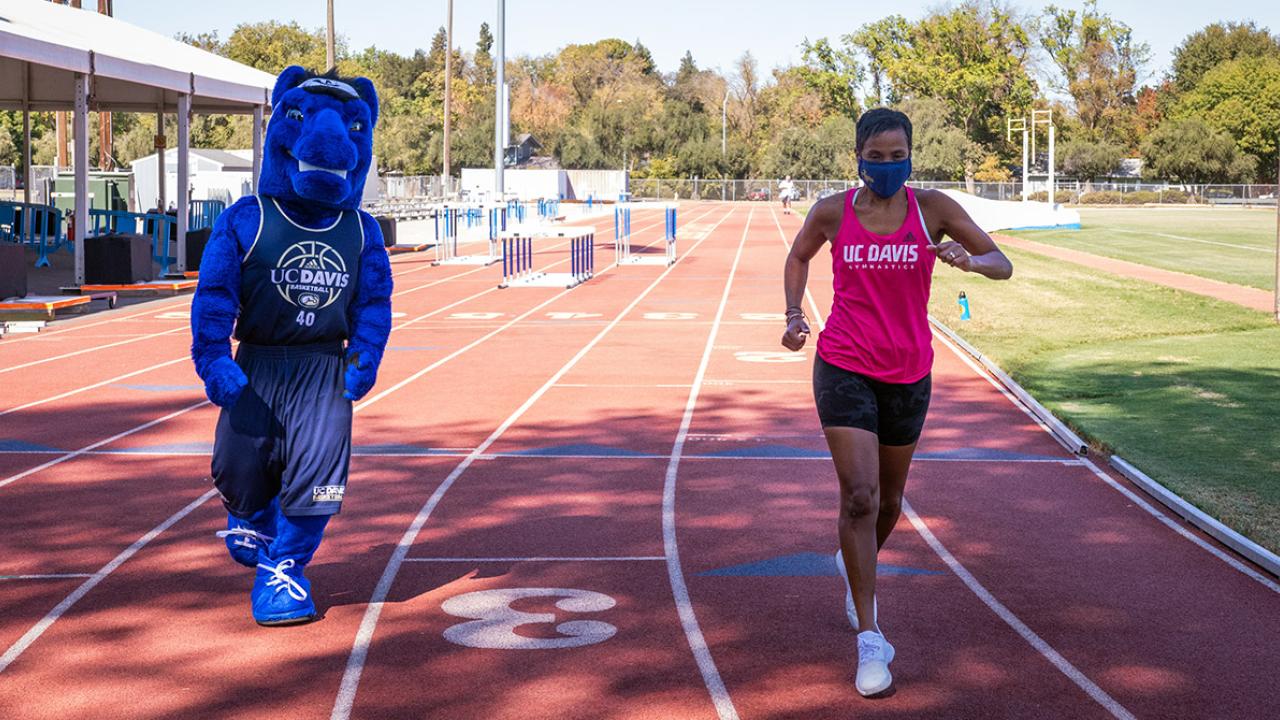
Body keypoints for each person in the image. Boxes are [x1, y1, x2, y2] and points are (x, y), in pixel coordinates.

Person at [780, 108, 1012, 697]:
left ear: (912, 154)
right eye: (876, 157)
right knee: (860, 497)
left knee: (889, 504)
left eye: (897, 155)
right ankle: (870, 636)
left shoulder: (933, 209)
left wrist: (970, 261)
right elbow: (798, 255)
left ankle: (852, 562)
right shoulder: (832, 211)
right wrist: (793, 317)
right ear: (858, 157)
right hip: (843, 365)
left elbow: (1001, 263)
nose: (887, 166)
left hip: (910, 371)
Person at [191, 66, 392, 626]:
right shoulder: (246, 220)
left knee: (318, 478)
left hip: (323, 370)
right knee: (238, 467)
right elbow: (214, 296)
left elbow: (372, 305)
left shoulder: (362, 231)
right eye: (302, 119)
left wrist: (364, 356)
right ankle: (250, 515)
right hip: (257, 363)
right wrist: (212, 359)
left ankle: (286, 569)